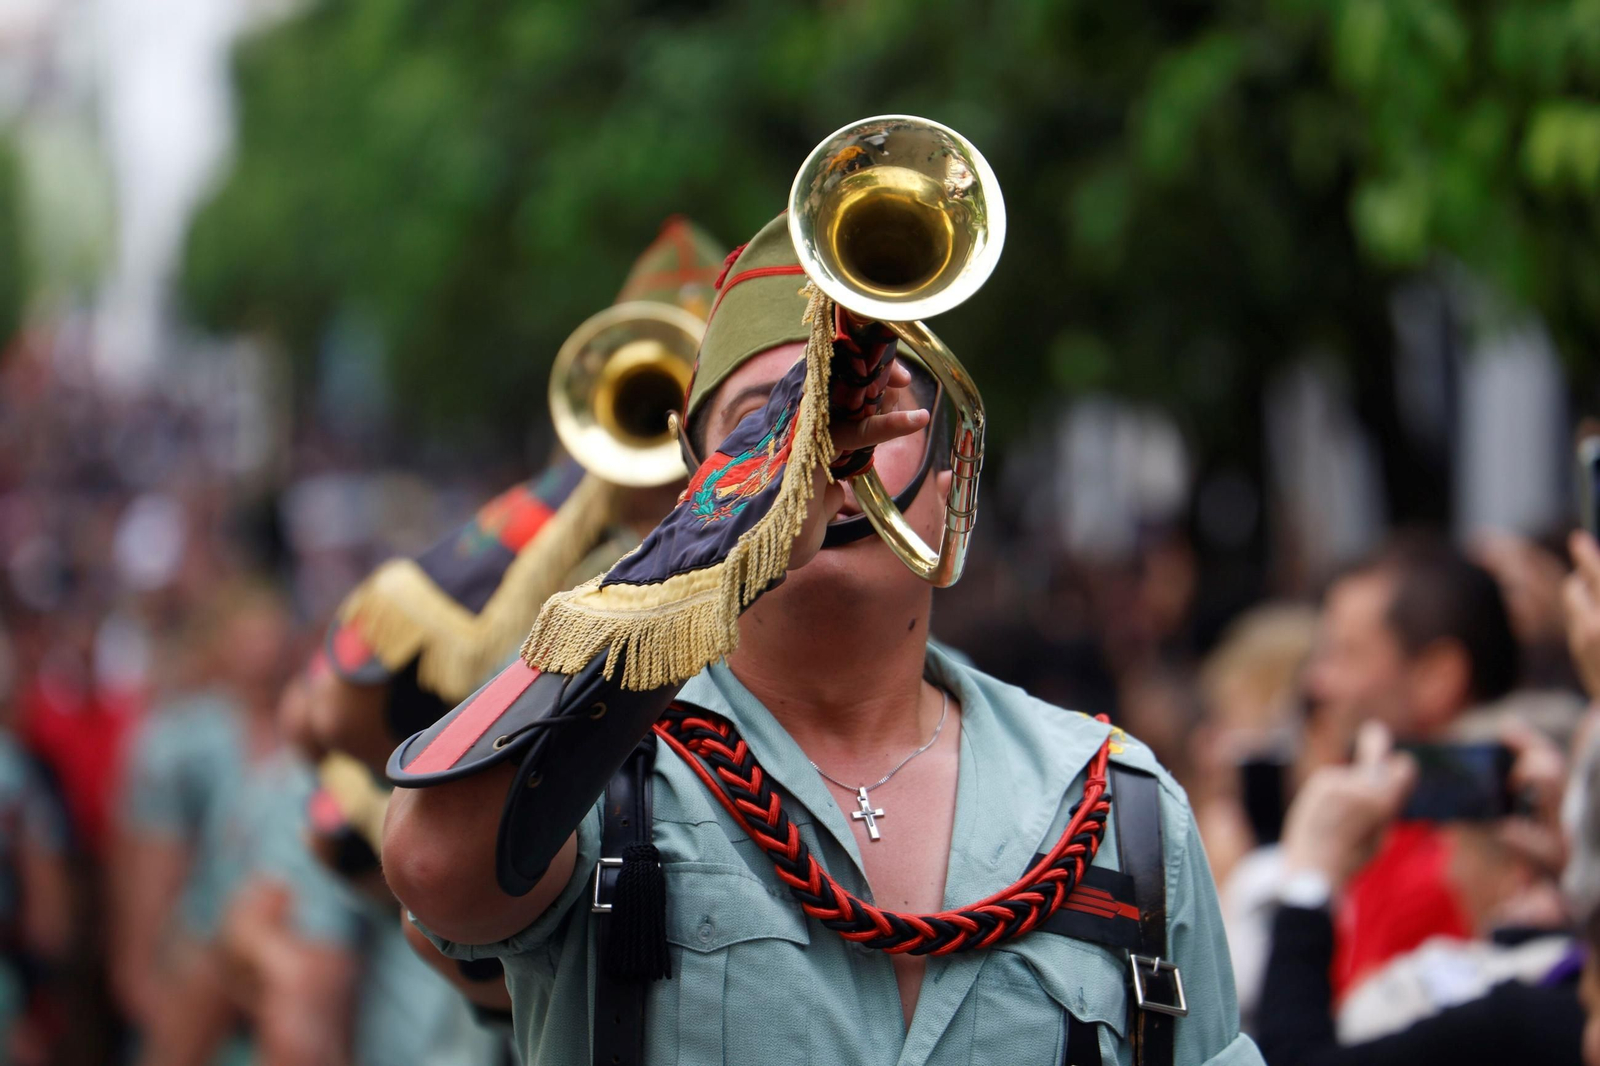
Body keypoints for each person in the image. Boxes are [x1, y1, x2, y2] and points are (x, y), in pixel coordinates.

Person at [383, 215, 1263, 1065]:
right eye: (768, 420)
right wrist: (715, 543)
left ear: (948, 485)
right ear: (695, 489)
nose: (824, 456)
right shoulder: (594, 770)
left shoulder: (1118, 804)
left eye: (871, 411)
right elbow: (431, 859)